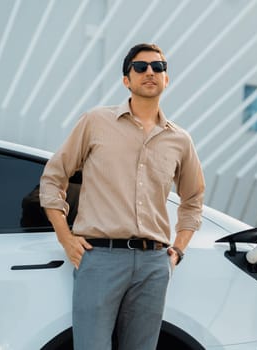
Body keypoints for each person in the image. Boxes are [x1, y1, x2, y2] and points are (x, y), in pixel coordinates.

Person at [39, 43, 205, 350]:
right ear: (126, 80)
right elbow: (53, 179)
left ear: (166, 79)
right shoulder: (95, 122)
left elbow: (193, 199)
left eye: (158, 67)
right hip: (100, 258)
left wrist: (177, 251)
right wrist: (65, 237)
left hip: (154, 263)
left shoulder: (180, 139)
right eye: (140, 67)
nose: (150, 72)